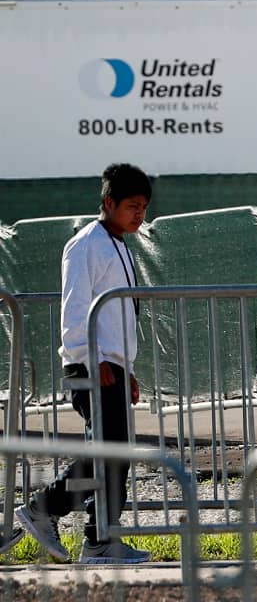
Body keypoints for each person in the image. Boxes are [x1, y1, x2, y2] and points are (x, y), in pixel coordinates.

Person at [14, 163, 153, 563]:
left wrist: (127, 367)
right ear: (108, 203)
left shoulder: (121, 245)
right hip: (89, 366)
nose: (139, 214)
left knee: (114, 455)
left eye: (143, 206)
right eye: (132, 206)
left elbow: (118, 317)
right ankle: (46, 509)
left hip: (112, 367)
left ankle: (99, 541)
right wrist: (92, 360)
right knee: (107, 452)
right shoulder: (85, 244)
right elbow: (76, 311)